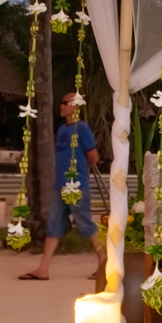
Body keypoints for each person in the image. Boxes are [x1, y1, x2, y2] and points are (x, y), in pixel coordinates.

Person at [20, 93, 97, 281]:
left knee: (85, 223)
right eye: (61, 102)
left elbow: (93, 156)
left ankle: (105, 259)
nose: (61, 106)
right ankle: (43, 268)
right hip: (59, 185)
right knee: (53, 225)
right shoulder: (62, 129)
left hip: (76, 185)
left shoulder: (83, 129)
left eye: (65, 103)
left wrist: (79, 172)